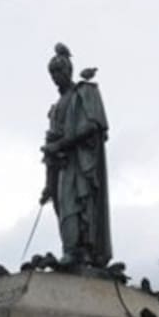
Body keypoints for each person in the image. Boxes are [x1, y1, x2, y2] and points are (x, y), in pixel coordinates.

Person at [39, 42, 112, 269]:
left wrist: (61, 143)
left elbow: (92, 125)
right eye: (52, 74)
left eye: (59, 72)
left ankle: (79, 252)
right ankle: (72, 251)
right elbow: (50, 144)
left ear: (69, 70)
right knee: (64, 214)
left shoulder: (85, 93)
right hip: (61, 166)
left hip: (81, 164)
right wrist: (48, 183)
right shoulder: (55, 107)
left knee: (76, 210)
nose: (55, 78)